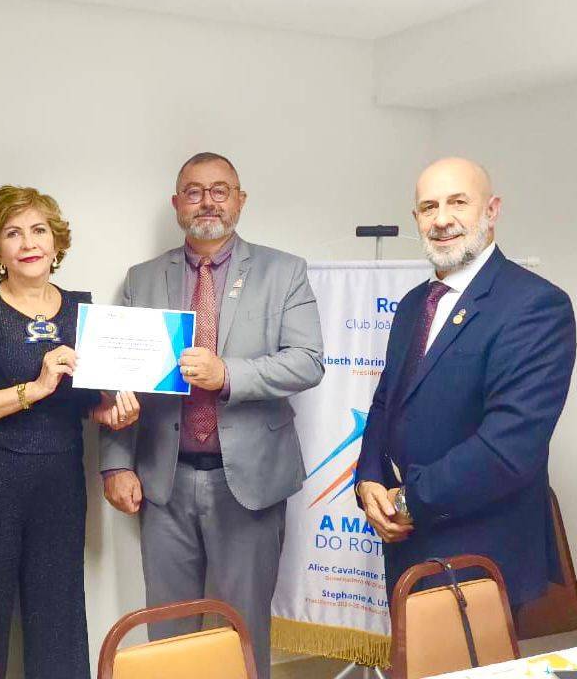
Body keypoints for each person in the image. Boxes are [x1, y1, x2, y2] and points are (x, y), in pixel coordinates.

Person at [100, 152, 324, 679]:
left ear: (240, 200)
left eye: (220, 190)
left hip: (249, 481)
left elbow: (308, 361)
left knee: (240, 634)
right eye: (195, 191)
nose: (208, 202)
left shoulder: (284, 271)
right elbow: (118, 380)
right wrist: (116, 463)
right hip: (164, 481)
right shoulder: (142, 279)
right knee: (168, 635)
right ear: (177, 203)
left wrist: (227, 374)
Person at [0, 185, 139, 679]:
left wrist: (112, 411)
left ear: (56, 242)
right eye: (13, 233)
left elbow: (88, 402)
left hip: (59, 481)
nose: (28, 243)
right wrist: (36, 387)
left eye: (38, 230)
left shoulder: (83, 314)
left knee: (59, 618)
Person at [355, 157, 576, 607]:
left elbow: (509, 449)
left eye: (458, 202)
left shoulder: (535, 306)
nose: (442, 219)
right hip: (406, 547)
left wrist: (407, 501)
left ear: (492, 210)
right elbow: (384, 405)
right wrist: (368, 481)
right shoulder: (413, 305)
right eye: (429, 206)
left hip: (482, 555)